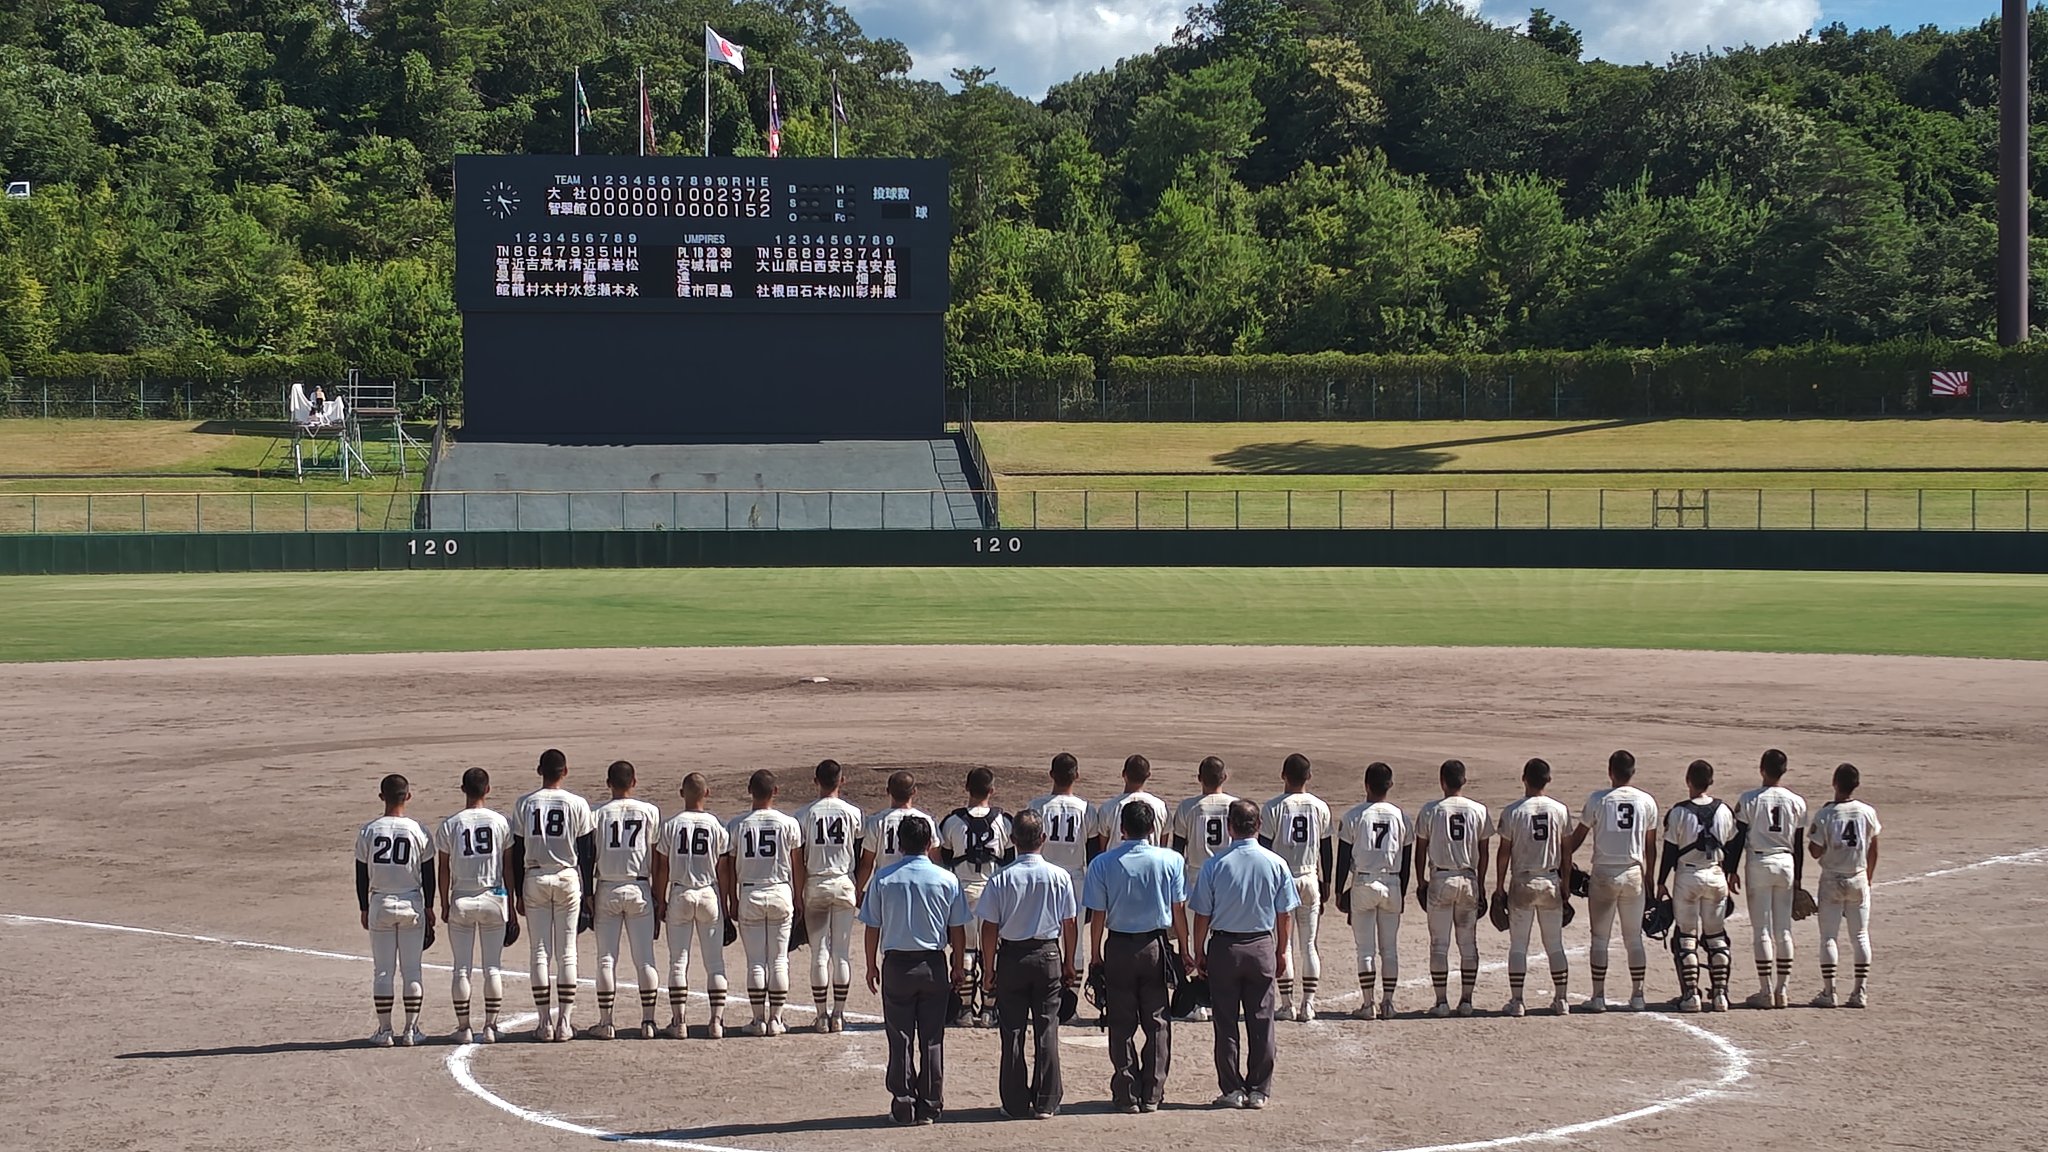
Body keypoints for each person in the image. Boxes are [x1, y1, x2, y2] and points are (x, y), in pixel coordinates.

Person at [860, 816, 973, 1125]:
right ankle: (931, 1103)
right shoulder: (946, 879)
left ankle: (903, 1101)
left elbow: (872, 927)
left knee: (900, 1036)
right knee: (932, 1037)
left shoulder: (883, 878)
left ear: (898, 844)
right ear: (929, 843)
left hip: (897, 964)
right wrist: (958, 963)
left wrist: (871, 964)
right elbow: (958, 928)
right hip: (933, 964)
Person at [1188, 799, 1297, 1110]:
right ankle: (1259, 1088)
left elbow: (1202, 916)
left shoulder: (1214, 865)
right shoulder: (1275, 863)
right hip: (1261, 943)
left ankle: (1233, 1088)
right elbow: (1284, 914)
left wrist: (1199, 950)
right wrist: (1280, 949)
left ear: (1229, 826)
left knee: (1225, 1021)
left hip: (1225, 947)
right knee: (1262, 1020)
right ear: (1258, 825)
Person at [1083, 801, 1188, 1113]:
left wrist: (1096, 953)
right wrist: (1185, 949)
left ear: (1122, 828)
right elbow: (1178, 910)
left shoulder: (1102, 864)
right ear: (1153, 828)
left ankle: (1127, 1092)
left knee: (1121, 1020)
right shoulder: (1170, 860)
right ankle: (1153, 1092)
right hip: (1155, 945)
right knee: (1157, 1020)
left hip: (1118, 947)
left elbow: (1098, 914)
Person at [975, 809, 1079, 1120]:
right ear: (1043, 839)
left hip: (1012, 957)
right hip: (1048, 954)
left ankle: (1015, 1101)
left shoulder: (1001, 877)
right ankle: (1046, 1100)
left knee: (1013, 1030)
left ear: (1013, 840)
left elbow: (989, 926)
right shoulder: (1059, 876)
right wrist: (1069, 962)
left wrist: (989, 968)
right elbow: (1070, 923)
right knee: (1047, 1028)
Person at [1563, 750, 1659, 1013]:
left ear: (1610, 772)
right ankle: (1638, 995)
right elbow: (1651, 846)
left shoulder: (1597, 800)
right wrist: (1649, 876)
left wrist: (1560, 860)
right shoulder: (1646, 801)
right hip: (1633, 873)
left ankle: (1598, 997)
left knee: (1600, 938)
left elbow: (1578, 838)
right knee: (1633, 938)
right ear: (1633, 772)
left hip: (1604, 874)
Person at [514, 749, 597, 1042]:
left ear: (539, 770)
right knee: (567, 952)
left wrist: (517, 893)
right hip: (567, 877)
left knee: (539, 951)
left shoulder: (524, 803)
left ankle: (543, 1024)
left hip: (534, 876)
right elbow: (587, 852)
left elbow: (517, 850)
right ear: (565, 771)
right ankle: (564, 1022)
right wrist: (588, 891)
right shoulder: (577, 803)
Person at [357, 773, 435, 1046]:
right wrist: (429, 908)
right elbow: (429, 875)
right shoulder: (419, 830)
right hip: (412, 902)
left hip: (380, 903)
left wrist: (364, 908)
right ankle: (412, 1031)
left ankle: (385, 1031)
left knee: (383, 971)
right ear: (408, 796)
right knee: (412, 970)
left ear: (382, 797)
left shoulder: (368, 830)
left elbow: (361, 875)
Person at [437, 767, 513, 1044]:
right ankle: (491, 1027)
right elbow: (508, 867)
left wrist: (444, 902)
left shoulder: (450, 824)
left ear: (463, 789)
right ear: (488, 789)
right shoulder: (500, 822)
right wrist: (512, 904)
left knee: (461, 968)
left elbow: (443, 868)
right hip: (494, 897)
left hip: (462, 898)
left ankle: (464, 1027)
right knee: (492, 967)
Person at [1658, 759, 1739, 1013]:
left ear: (1688, 781)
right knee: (1716, 937)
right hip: (1716, 876)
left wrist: (1660, 882)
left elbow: (1670, 851)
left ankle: (1691, 995)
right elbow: (1734, 844)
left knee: (1686, 937)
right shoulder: (1725, 810)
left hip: (1688, 878)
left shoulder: (1679, 812)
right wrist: (1731, 871)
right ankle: (1720, 996)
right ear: (1711, 782)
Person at [1414, 759, 1493, 1017]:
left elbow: (1420, 849)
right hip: (1468, 879)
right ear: (1464, 781)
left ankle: (1441, 1002)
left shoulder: (1430, 810)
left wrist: (1421, 881)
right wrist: (1480, 885)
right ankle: (1467, 1001)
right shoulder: (1479, 810)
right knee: (1468, 943)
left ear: (1442, 781)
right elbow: (1484, 851)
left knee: (1439, 944)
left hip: (1441, 879)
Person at [654, 773, 731, 1038]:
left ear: (681, 793)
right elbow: (723, 869)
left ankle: (679, 1022)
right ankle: (716, 1022)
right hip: (709, 893)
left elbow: (662, 867)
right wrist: (725, 902)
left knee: (678, 963)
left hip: (680, 893)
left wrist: (660, 899)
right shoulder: (717, 826)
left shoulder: (670, 825)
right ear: (707, 793)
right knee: (715, 963)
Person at [1494, 758, 1572, 1017]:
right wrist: (1566, 885)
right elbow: (1566, 853)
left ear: (1524, 778)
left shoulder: (1513, 811)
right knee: (1555, 944)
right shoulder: (1560, 810)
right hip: (1551, 881)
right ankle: (1561, 1000)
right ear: (1548, 780)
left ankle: (1517, 1001)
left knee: (1518, 945)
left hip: (1523, 883)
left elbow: (1504, 854)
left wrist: (1499, 887)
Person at [727, 769, 802, 1036]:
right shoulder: (789, 823)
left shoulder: (737, 825)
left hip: (750, 893)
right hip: (781, 891)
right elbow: (797, 865)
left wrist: (731, 898)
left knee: (756, 962)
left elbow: (728, 867)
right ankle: (776, 1020)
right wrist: (798, 894)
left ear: (750, 790)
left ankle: (758, 1020)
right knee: (779, 960)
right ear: (776, 792)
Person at [590, 760, 662, 1039]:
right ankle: (649, 1022)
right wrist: (656, 893)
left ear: (608, 783)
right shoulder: (650, 812)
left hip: (607, 887)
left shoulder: (598, 814)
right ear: (634, 782)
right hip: (639, 886)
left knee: (606, 959)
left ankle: (606, 1022)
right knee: (645, 958)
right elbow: (655, 856)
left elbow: (589, 855)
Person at [1733, 749, 1809, 1009]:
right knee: (1783, 929)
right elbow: (1798, 845)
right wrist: (1798, 879)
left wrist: (1730, 869)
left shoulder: (1749, 799)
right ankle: (1782, 990)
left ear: (1761, 769)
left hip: (1759, 862)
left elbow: (1738, 838)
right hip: (1786, 863)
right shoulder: (1796, 801)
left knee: (1762, 929)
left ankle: (1765, 990)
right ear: (1784, 771)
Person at [1336, 761, 1411, 1021]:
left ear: (1366, 785)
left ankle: (1368, 1004)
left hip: (1364, 884)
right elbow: (1407, 858)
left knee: (1365, 949)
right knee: (1389, 949)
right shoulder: (1401, 816)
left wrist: (1338, 891)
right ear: (1390, 785)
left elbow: (1343, 859)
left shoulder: (1354, 816)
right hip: (1392, 883)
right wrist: (1403, 891)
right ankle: (1388, 1003)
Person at [1259, 754, 1332, 1022]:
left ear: (1283, 775)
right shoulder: (1321, 807)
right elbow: (1327, 850)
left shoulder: (1273, 807)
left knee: (1284, 944)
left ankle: (1288, 1004)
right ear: (1309, 777)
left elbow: (1264, 849)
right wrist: (1327, 884)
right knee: (1310, 944)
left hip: (1282, 881)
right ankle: (1309, 1004)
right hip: (1310, 877)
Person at [793, 759, 864, 1033]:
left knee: (819, 954)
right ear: (841, 781)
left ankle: (821, 1016)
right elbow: (857, 845)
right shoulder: (853, 813)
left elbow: (798, 859)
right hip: (844, 883)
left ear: (815, 781)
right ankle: (839, 1015)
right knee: (841, 953)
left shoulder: (803, 814)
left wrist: (798, 892)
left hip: (816, 885)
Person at [942, 767, 1015, 1025]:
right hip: (993, 892)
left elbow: (945, 859)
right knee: (991, 952)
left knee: (967, 951)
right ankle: (989, 1009)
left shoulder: (951, 821)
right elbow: (1009, 860)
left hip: (963, 893)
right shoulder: (1004, 821)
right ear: (992, 791)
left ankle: (963, 1009)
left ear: (966, 788)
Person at [1806, 763, 1880, 1009]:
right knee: (1860, 935)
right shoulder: (1867, 811)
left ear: (1834, 783)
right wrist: (1868, 876)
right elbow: (1874, 847)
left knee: (1829, 937)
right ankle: (1860, 991)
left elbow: (1815, 851)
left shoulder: (1826, 814)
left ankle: (1829, 991)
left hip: (1832, 879)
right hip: (1858, 877)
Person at [1171, 756, 1236, 1022]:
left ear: (1199, 778)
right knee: (1215, 937)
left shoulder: (1188, 807)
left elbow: (1177, 850)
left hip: (1195, 876)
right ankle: (1215, 996)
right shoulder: (1235, 805)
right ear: (1224, 778)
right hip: (1225, 877)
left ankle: (1197, 1001)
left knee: (1192, 938)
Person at [858, 771, 936, 893]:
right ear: (914, 791)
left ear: (888, 791)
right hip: (917, 884)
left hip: (886, 883)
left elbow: (867, 863)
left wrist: (858, 889)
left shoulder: (877, 822)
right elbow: (936, 858)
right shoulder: (925, 821)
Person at [1027, 753, 1092, 900]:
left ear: (1051, 774)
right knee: (1074, 923)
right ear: (1076, 775)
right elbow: (1092, 849)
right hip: (1074, 879)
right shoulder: (1086, 809)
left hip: (1043, 877)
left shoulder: (1036, 806)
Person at [1089, 755, 1171, 857]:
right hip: (1150, 866)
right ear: (1148, 775)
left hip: (1116, 867)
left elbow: (1103, 847)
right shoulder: (1161, 807)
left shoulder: (1108, 808)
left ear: (1124, 774)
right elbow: (1163, 845)